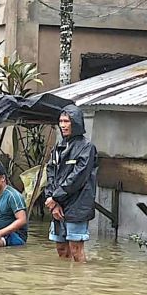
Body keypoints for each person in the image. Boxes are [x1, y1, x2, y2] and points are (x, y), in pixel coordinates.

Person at [44, 105, 97, 262]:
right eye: (61, 121)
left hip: (77, 205)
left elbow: (77, 177)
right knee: (61, 248)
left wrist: (56, 198)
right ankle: (63, 282)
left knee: (76, 249)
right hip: (57, 204)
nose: (63, 125)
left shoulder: (87, 147)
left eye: (66, 121)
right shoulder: (58, 147)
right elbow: (50, 173)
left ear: (76, 123)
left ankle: (79, 284)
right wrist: (52, 200)